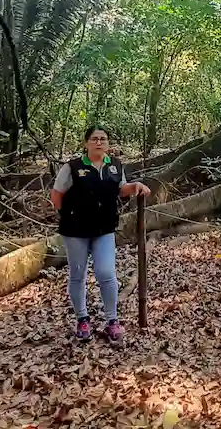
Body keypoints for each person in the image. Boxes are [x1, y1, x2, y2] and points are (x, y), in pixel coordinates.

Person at [50, 125, 150, 342]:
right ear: (86, 143)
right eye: (94, 139)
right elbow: (57, 195)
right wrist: (68, 214)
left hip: (104, 228)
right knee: (78, 275)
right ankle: (82, 319)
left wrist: (135, 187)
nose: (99, 142)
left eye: (103, 139)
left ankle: (112, 321)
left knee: (106, 273)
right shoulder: (72, 167)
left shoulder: (114, 166)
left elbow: (121, 188)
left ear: (108, 143)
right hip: (75, 230)